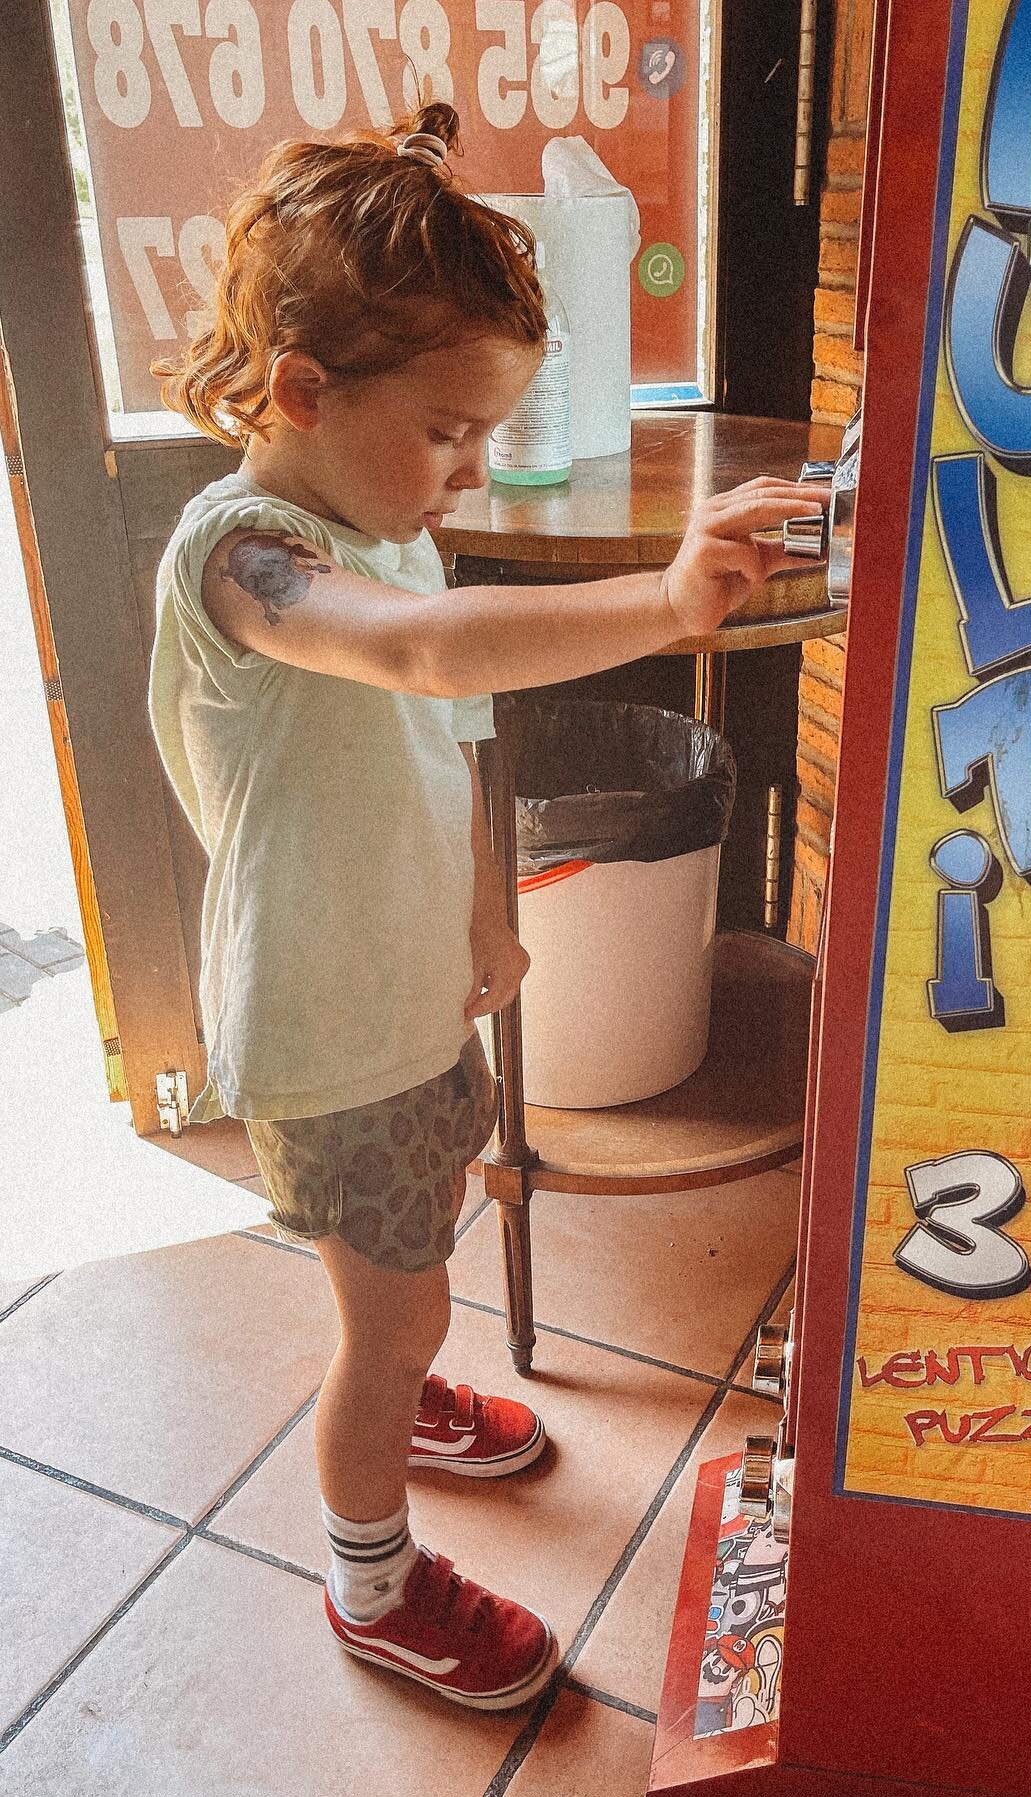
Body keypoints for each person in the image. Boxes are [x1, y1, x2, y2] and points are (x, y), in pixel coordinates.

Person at [145, 101, 824, 1711]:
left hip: (410, 990)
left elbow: (456, 737)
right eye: (446, 431)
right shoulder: (245, 557)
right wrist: (667, 598)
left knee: (414, 1256)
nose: (466, 473)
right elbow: (418, 660)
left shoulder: (394, 536)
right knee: (383, 1321)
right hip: (322, 1023)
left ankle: (412, 1374)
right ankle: (369, 1579)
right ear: (303, 392)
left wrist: (481, 915)